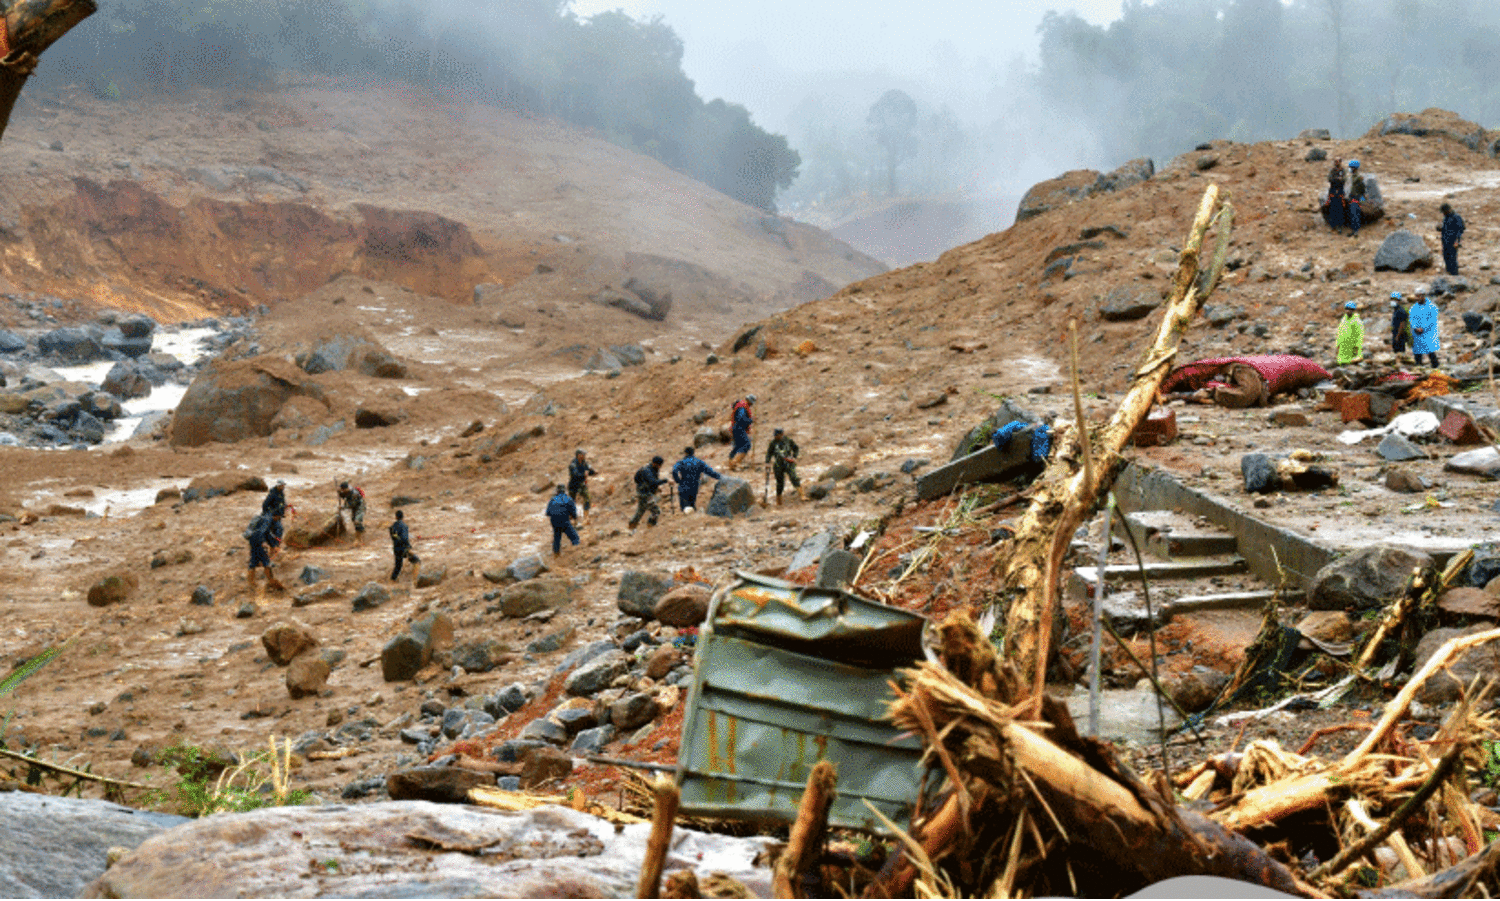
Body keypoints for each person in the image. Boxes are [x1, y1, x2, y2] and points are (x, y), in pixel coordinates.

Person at [671, 447, 722, 513]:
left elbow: (674, 471)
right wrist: (720, 477)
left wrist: (678, 480)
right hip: (694, 486)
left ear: (685, 453)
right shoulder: (699, 462)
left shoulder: (681, 462)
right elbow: (710, 472)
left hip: (683, 486)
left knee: (684, 507)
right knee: (692, 504)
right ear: (693, 453)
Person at [245, 508, 284, 592]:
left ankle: (251, 583)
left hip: (253, 540)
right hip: (258, 542)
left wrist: (273, 545)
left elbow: (266, 534)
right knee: (266, 562)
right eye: (279, 517)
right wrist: (264, 542)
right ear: (276, 516)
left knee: (253, 561)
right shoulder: (267, 521)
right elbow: (262, 532)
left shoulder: (266, 518)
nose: (279, 519)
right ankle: (271, 581)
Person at [763, 428, 803, 505]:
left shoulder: (788, 440)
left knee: (793, 477)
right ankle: (779, 501)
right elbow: (769, 453)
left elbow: (796, 448)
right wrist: (767, 462)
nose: (776, 437)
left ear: (781, 434)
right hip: (778, 464)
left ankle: (802, 495)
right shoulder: (773, 443)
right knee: (780, 483)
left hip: (788, 462)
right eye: (775, 435)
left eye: (777, 435)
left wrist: (794, 457)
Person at [629, 456, 668, 529]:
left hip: (645, 492)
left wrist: (657, 488)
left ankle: (631, 527)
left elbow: (654, 480)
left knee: (640, 511)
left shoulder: (654, 469)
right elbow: (653, 482)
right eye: (659, 465)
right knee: (656, 511)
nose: (660, 467)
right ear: (654, 463)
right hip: (645, 494)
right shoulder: (646, 470)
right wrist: (666, 480)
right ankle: (650, 527)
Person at [545, 484, 580, 554]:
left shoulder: (552, 499)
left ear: (557, 491)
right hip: (564, 520)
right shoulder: (569, 499)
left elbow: (548, 513)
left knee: (557, 536)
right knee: (574, 537)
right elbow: (574, 513)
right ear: (565, 491)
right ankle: (576, 553)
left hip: (554, 521)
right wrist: (574, 519)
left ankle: (556, 553)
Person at [1409, 292, 1441, 368]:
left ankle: (1435, 365)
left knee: (1429, 349)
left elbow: (1432, 320)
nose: (1417, 298)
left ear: (1423, 296)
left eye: (1419, 296)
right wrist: (1415, 327)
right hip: (1417, 332)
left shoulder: (1432, 307)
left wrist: (1423, 327)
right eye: (1416, 296)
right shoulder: (1414, 307)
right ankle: (1418, 365)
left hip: (1428, 332)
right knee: (1417, 349)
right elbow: (1412, 318)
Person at [388, 509, 420, 581]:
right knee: (416, 561)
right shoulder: (404, 525)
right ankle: (415, 579)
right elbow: (404, 538)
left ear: (396, 517)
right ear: (403, 517)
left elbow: (394, 536)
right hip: (404, 548)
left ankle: (392, 580)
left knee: (398, 566)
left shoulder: (392, 526)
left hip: (396, 549)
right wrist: (409, 546)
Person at [567, 449, 597, 520]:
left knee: (587, 498)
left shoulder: (584, 463)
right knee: (572, 501)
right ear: (579, 455)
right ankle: (571, 516)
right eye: (583, 454)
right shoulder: (573, 465)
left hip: (581, 484)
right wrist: (584, 475)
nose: (584, 456)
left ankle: (586, 516)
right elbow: (575, 475)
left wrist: (592, 471)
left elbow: (589, 471)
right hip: (574, 484)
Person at [727, 394, 755, 470]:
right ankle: (735, 463)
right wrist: (751, 420)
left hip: (736, 428)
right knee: (746, 445)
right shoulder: (743, 407)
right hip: (739, 428)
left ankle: (730, 463)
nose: (752, 405)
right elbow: (741, 419)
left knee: (737, 446)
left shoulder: (741, 405)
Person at [1439, 202, 1466, 276]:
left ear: (1448, 210)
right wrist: (1439, 228)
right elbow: (1445, 228)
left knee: (1452, 258)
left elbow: (1460, 230)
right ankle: (1449, 272)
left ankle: (1454, 274)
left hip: (1453, 241)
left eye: (1444, 212)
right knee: (1446, 256)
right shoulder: (1446, 217)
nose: (1443, 213)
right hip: (1445, 241)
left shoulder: (1456, 217)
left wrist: (1457, 241)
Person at [1335, 301, 1364, 365]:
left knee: (1350, 364)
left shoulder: (1357, 321)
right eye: (1347, 309)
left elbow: (1359, 335)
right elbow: (1339, 333)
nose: (1348, 311)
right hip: (1342, 348)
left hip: (1351, 348)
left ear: (1353, 310)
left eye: (1350, 309)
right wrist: (1337, 344)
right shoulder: (1343, 320)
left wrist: (1358, 346)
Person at [1390, 292, 1412, 362]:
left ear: (1399, 300)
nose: (1393, 301)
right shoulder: (1396, 310)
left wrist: (1398, 336)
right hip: (1396, 334)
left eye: (1395, 299)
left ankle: (1400, 364)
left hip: (1400, 335)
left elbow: (1402, 324)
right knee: (1396, 351)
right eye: (1392, 299)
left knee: (1400, 352)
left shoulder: (1401, 311)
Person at [1325, 158, 1346, 231]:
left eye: (1338, 161)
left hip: (1340, 192)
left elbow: (1344, 179)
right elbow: (1329, 179)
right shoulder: (1332, 170)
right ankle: (1333, 225)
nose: (1336, 163)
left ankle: (1339, 225)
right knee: (1332, 208)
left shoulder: (1343, 171)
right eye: (1335, 161)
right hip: (1333, 191)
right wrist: (1336, 179)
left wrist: (1340, 179)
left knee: (1340, 209)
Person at [1346, 160, 1365, 237]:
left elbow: (1362, 189)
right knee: (1352, 214)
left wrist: (1361, 198)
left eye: (1351, 167)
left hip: (1356, 198)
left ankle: (1355, 231)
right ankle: (1353, 230)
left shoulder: (1358, 178)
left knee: (1355, 215)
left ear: (1354, 168)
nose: (1349, 169)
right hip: (1352, 197)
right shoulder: (1353, 177)